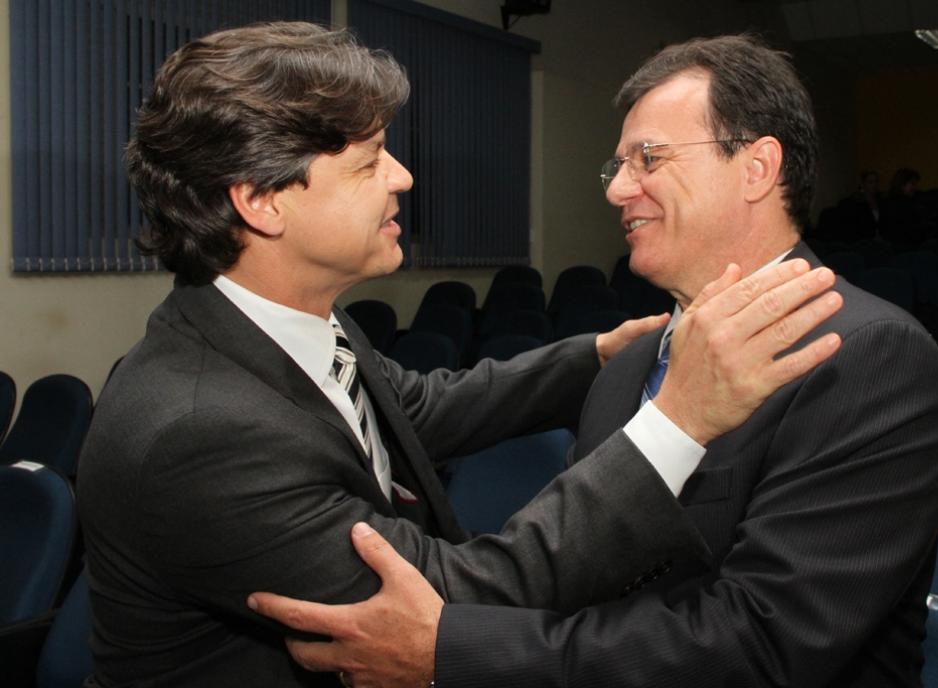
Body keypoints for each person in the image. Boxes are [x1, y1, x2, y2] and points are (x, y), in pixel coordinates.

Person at [76, 24, 843, 688]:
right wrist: (676, 422)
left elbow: (417, 410)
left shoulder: (291, 329)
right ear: (263, 201)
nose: (402, 178)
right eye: (371, 161)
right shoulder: (199, 427)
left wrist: (597, 354)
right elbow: (448, 603)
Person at [250, 34, 938, 688]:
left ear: (757, 168)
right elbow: (578, 575)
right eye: (617, 165)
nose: (617, 189)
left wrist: (454, 648)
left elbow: (766, 646)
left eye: (648, 159)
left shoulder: (869, 359)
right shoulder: (627, 367)